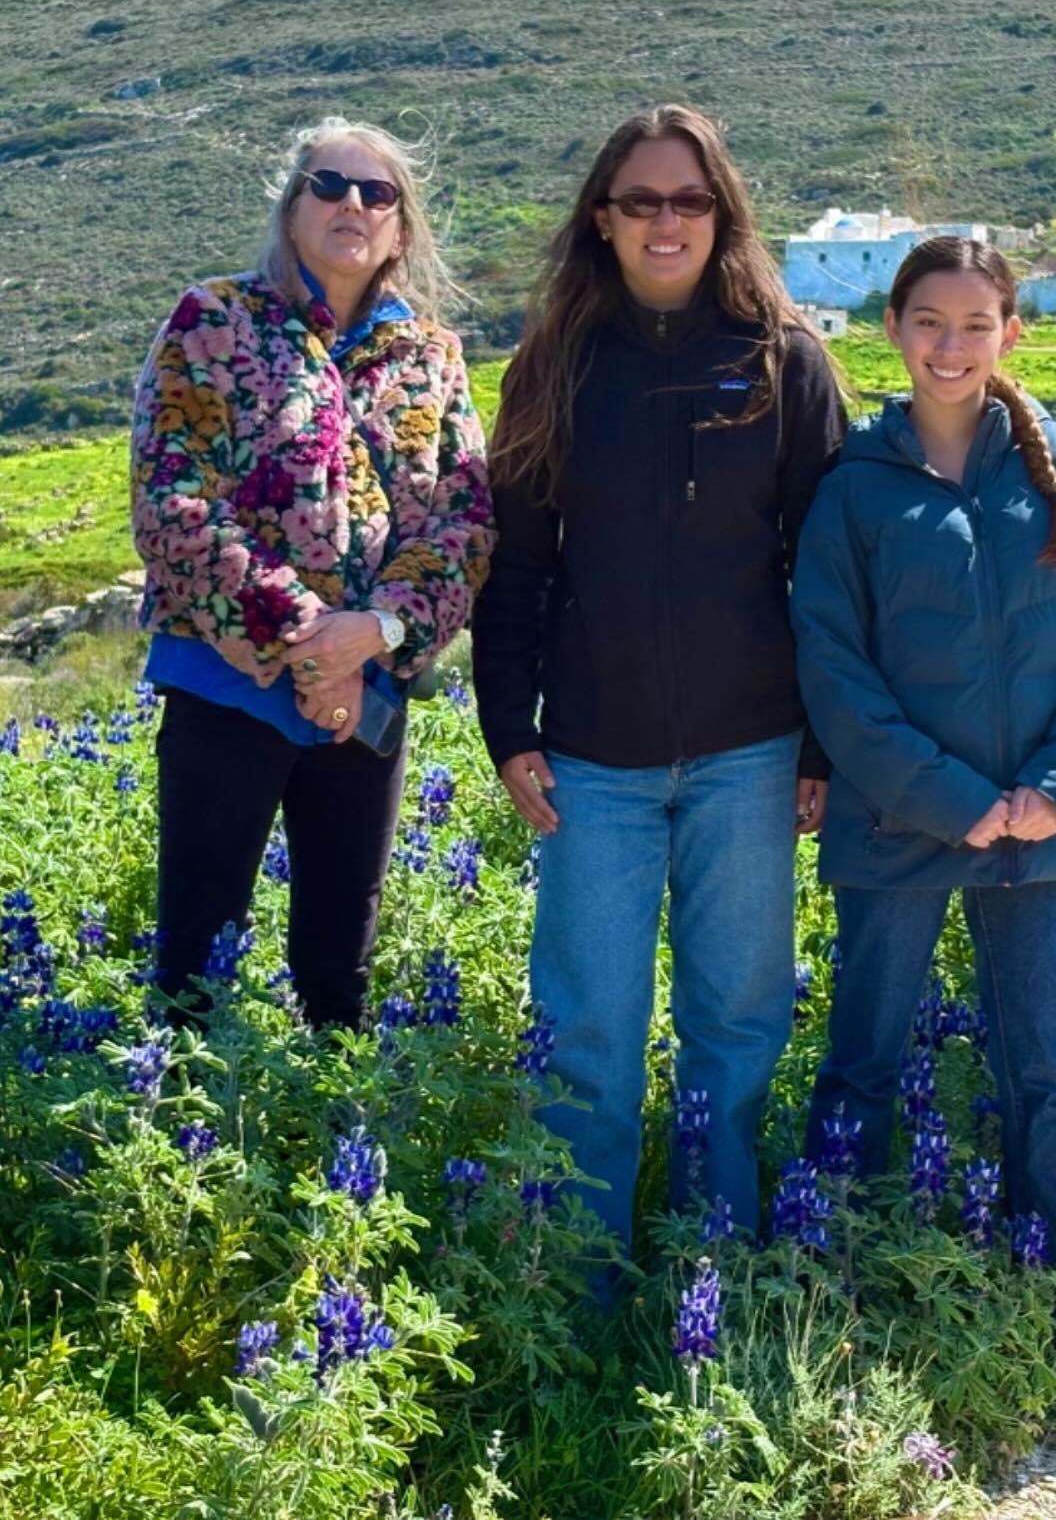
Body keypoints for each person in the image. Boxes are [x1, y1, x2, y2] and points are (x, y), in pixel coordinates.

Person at [792, 236, 1056, 1437]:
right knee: (862, 1062)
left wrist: (1055, 787)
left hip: (1042, 828)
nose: (951, 346)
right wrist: (955, 796)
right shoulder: (853, 485)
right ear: (890, 328)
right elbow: (833, 673)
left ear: (1009, 330)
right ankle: (832, 1311)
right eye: (928, 322)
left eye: (975, 323)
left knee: (1038, 1074)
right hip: (902, 819)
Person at [473, 104, 846, 1248]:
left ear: (721, 214)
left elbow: (825, 570)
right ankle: (580, 1289)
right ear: (603, 218)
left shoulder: (784, 359)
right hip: (592, 758)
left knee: (736, 1021)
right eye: (642, 201)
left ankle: (710, 1263)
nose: (666, 221)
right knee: (587, 1027)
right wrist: (506, 726)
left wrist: (821, 746)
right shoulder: (554, 365)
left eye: (690, 199)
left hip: (750, 751)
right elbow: (517, 563)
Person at [131, 118, 495, 1029]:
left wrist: (371, 634)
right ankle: (183, 1143)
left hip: (366, 696)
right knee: (193, 961)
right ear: (292, 207)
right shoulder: (213, 320)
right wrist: (304, 643)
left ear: (401, 228)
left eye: (379, 194)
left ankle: (333, 1151)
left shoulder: (432, 357)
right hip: (229, 686)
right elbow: (172, 500)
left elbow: (464, 521)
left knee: (340, 968)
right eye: (329, 185)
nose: (353, 206)